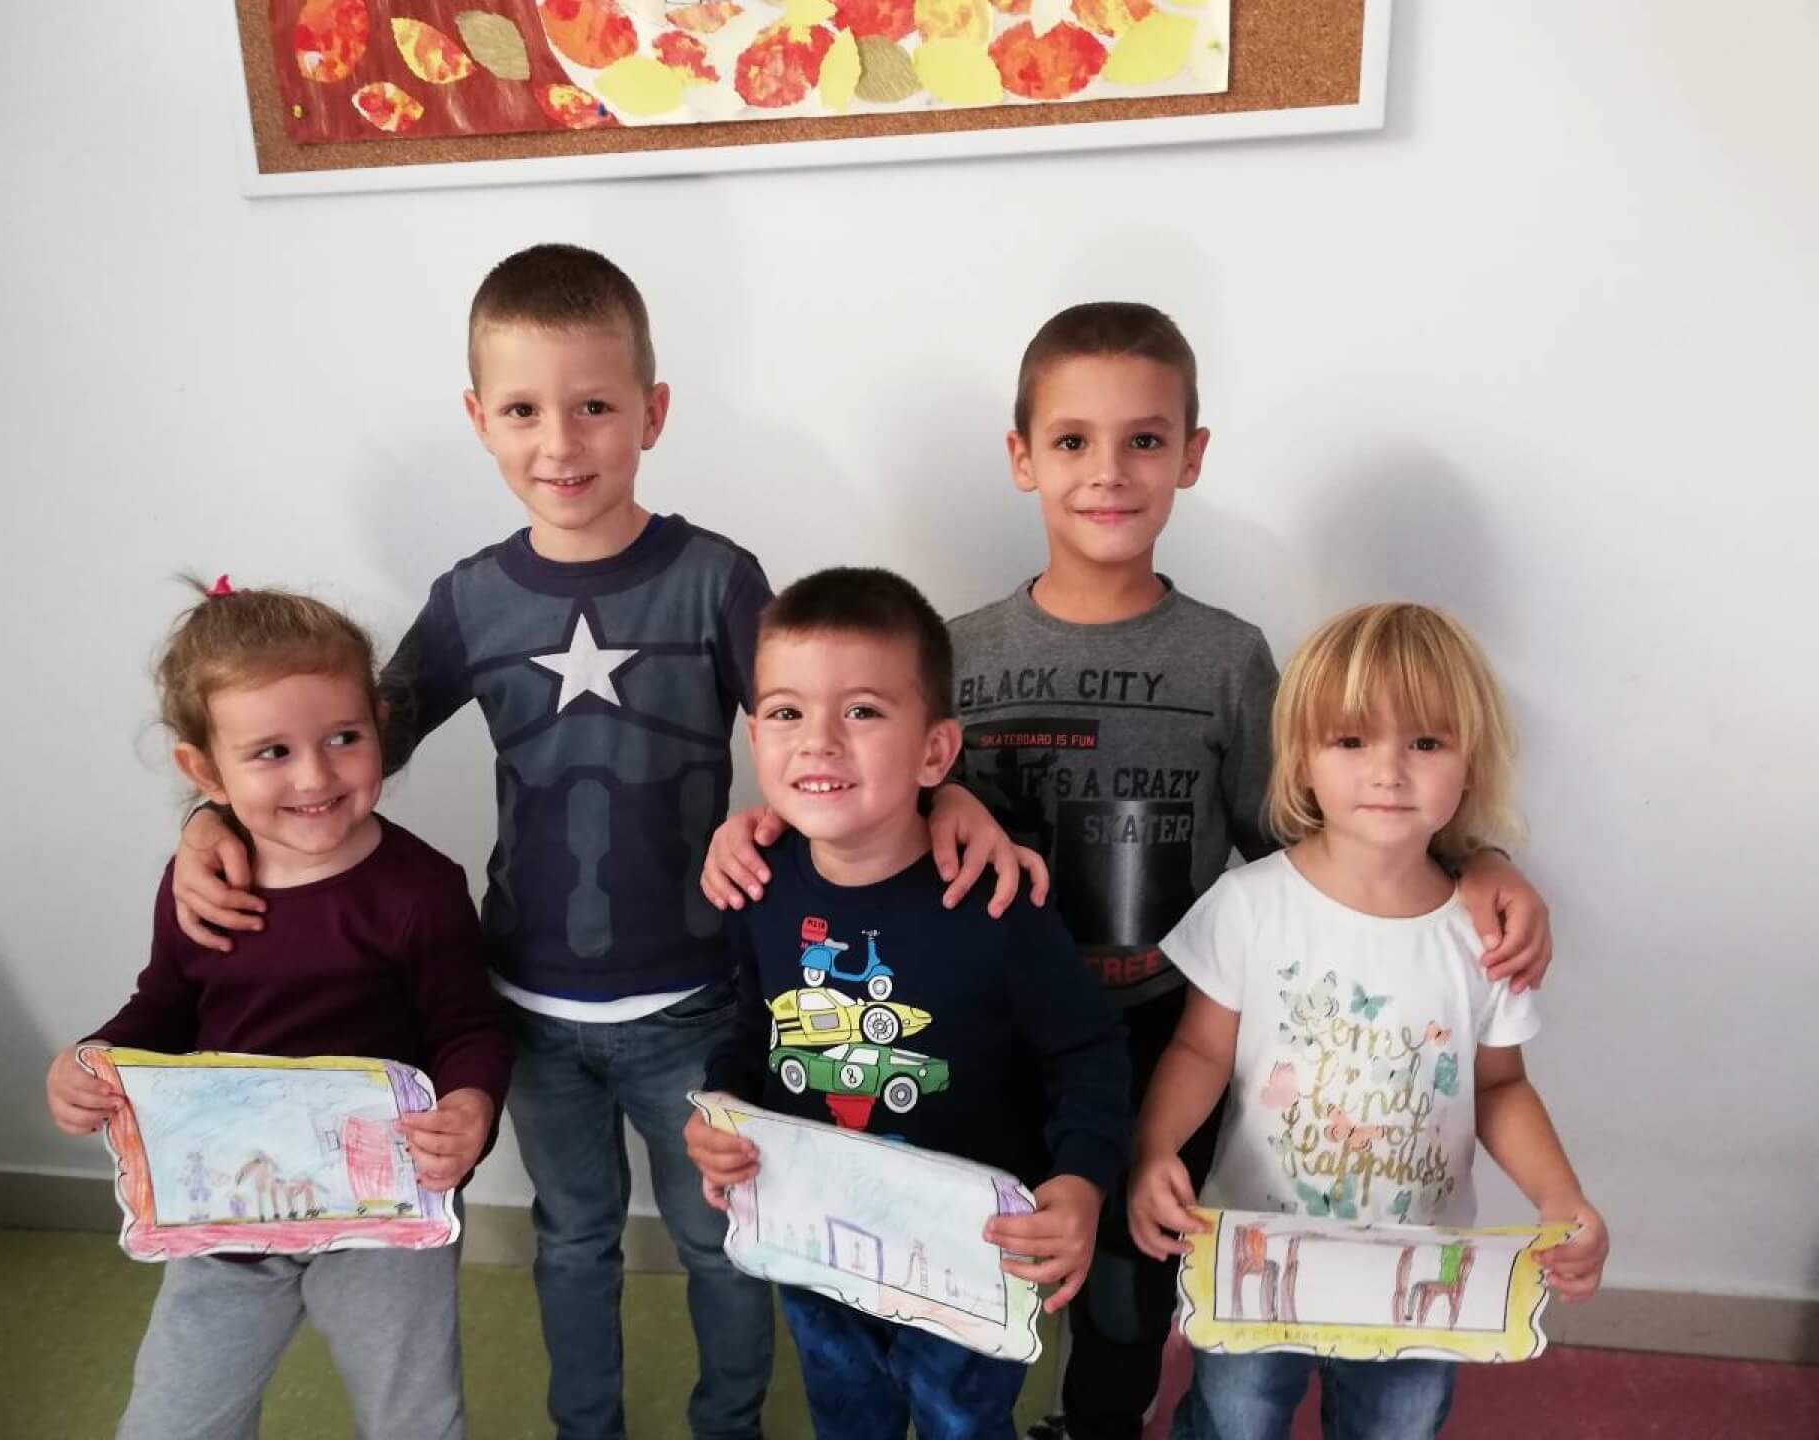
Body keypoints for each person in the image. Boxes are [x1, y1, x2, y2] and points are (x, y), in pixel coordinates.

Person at [166, 245, 1039, 1440]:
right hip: (528, 1009)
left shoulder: (716, 579)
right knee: (572, 1240)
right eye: (524, 410)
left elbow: (828, 726)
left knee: (722, 1241)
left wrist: (952, 798)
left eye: (593, 407)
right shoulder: (472, 597)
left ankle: (728, 1424)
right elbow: (345, 748)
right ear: (480, 419)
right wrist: (211, 817)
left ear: (651, 413)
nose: (561, 442)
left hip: (695, 998)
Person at [702, 302, 1555, 1440]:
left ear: (1189, 456)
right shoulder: (962, 648)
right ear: (1023, 458)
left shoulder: (1227, 658)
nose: (1107, 471)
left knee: (1123, 1289)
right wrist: (798, 817)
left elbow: (1316, 826)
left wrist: (1476, 859)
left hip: (1166, 1028)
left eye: (1144, 440)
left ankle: (1096, 1425)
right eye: (1072, 440)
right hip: (983, 1038)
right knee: (984, 1264)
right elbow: (884, 783)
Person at [44, 579, 512, 1440]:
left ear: (379, 728)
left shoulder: (420, 889)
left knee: (414, 1417)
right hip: (225, 1213)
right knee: (171, 1421)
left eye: (344, 738)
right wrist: (92, 1059)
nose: (315, 775)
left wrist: (471, 1105)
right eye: (271, 752)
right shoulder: (202, 884)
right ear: (204, 772)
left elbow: (468, 1026)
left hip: (383, 1213)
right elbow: (163, 1007)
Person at [1128, 602, 1608, 1440]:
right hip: (1256, 1255)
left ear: (1470, 763)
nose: (1388, 771)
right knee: (1235, 1420)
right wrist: (1154, 1149)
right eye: (1351, 740)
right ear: (1302, 758)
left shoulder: (1482, 936)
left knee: (1399, 1424)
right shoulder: (1250, 905)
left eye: (1424, 742)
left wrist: (1560, 1196)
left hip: (1417, 1270)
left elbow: (1500, 1088)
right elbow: (1200, 1049)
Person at [685, 567, 1131, 1440]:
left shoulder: (995, 901)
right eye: (786, 713)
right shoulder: (757, 885)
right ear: (755, 736)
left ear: (934, 752)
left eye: (861, 711)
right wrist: (724, 1109)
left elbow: (1088, 1053)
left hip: (966, 1252)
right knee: (846, 1413)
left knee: (961, 1423)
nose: (817, 742)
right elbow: (753, 1024)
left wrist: (1081, 1181)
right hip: (815, 1238)